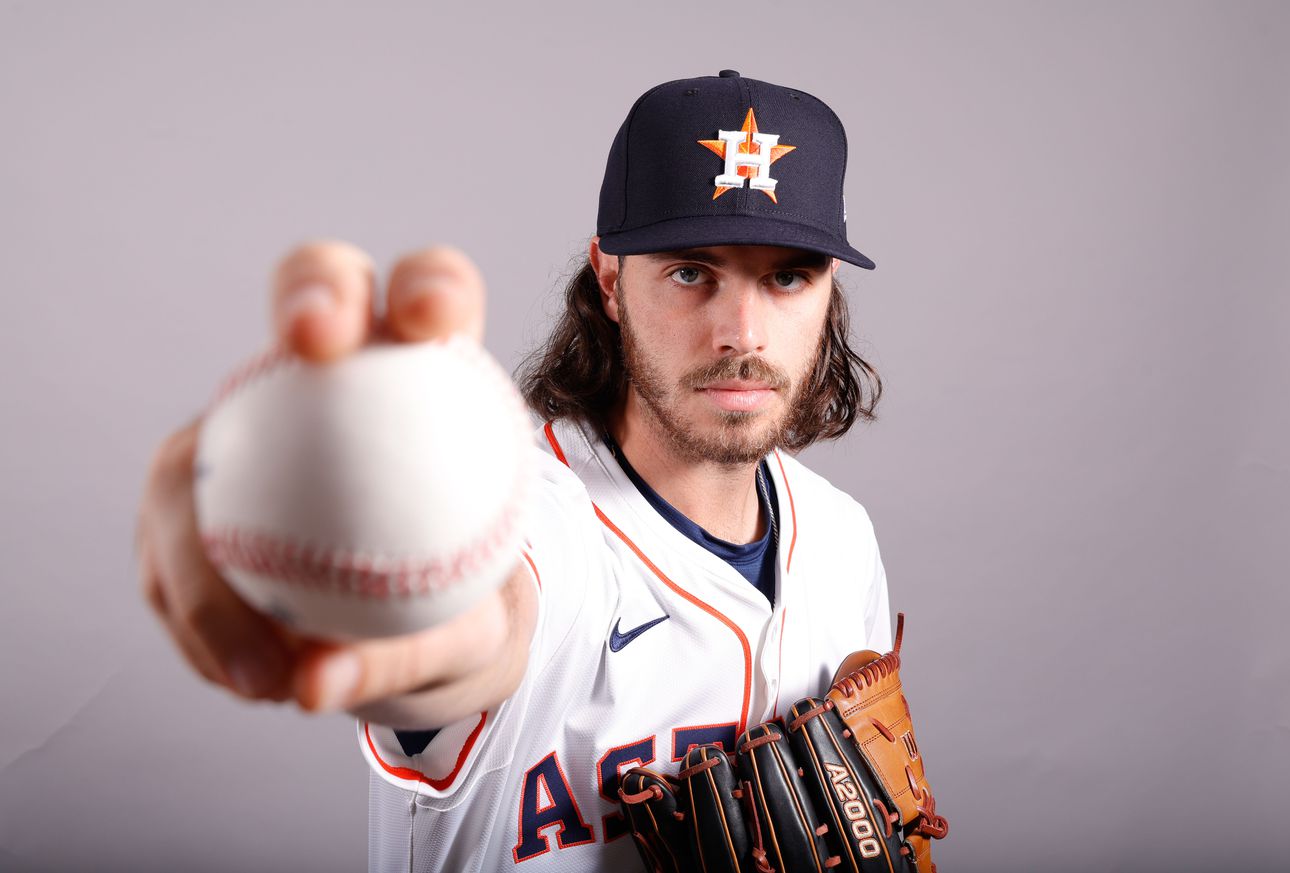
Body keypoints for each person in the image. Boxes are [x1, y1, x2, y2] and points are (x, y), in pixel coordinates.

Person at [138, 70, 893, 871]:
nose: (742, 333)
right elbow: (484, 626)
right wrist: (407, 603)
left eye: (786, 276)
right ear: (610, 278)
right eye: (690, 272)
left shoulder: (842, 540)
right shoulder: (525, 519)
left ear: (828, 290)